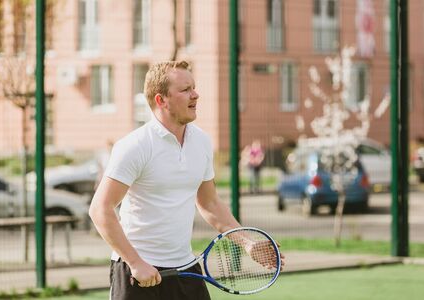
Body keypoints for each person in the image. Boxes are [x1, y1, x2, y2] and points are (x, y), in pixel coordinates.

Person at [89, 61, 284, 300]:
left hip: (186, 270)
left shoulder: (201, 142)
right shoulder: (135, 146)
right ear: (161, 100)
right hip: (136, 272)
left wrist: (247, 243)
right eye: (185, 90)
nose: (196, 95)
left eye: (194, 87)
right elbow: (100, 209)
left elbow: (210, 204)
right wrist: (135, 262)